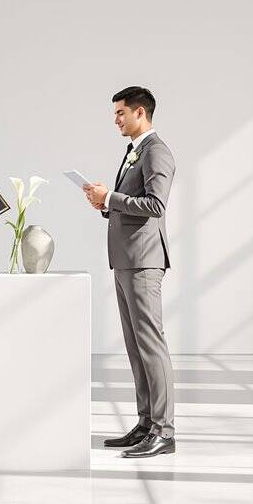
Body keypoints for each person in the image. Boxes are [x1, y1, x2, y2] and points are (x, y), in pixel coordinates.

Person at [83, 87, 177, 458]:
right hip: (125, 259)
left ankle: (164, 432)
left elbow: (155, 205)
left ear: (141, 112)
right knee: (136, 348)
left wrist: (109, 198)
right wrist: (104, 204)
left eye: (121, 113)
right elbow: (132, 204)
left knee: (151, 346)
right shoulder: (134, 151)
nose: (116, 120)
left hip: (143, 260)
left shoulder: (157, 151)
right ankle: (145, 424)